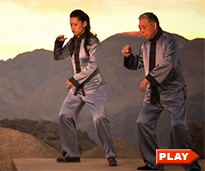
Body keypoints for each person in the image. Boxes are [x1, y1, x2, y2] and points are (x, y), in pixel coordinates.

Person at [122, 12, 201, 170]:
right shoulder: (145, 45)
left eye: (144, 28)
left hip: (173, 92)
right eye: (140, 28)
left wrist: (148, 79)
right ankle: (153, 164)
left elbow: (168, 63)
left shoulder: (169, 41)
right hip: (154, 93)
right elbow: (138, 63)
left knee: (178, 126)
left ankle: (192, 167)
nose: (141, 31)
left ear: (154, 25)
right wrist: (129, 56)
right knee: (142, 122)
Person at [53, 9, 117, 166]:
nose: (72, 27)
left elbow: (93, 66)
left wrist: (74, 80)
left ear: (84, 23)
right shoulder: (73, 41)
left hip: (94, 88)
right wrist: (58, 42)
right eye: (71, 25)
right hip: (77, 90)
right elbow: (59, 56)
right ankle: (72, 154)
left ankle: (111, 155)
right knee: (64, 116)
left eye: (75, 24)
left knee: (99, 118)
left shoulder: (93, 42)